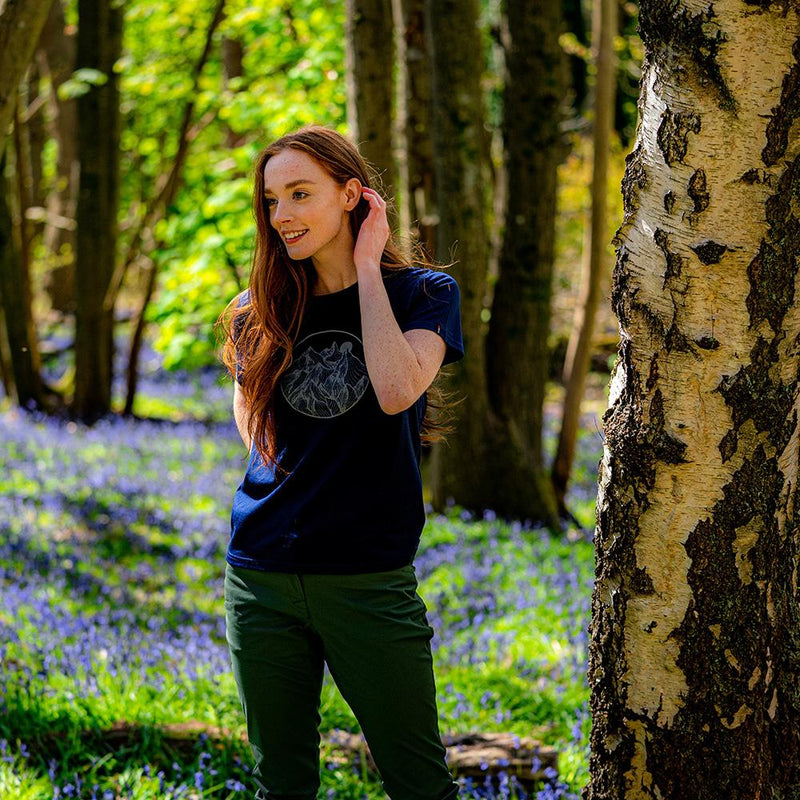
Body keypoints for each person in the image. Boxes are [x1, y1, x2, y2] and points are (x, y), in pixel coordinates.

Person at [217, 124, 464, 800]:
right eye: (271, 201)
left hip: (367, 579)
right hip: (261, 575)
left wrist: (363, 271)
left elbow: (394, 390)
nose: (283, 216)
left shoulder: (425, 293)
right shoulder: (256, 310)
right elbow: (258, 438)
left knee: (419, 783)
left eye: (300, 194)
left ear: (353, 195)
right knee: (282, 784)